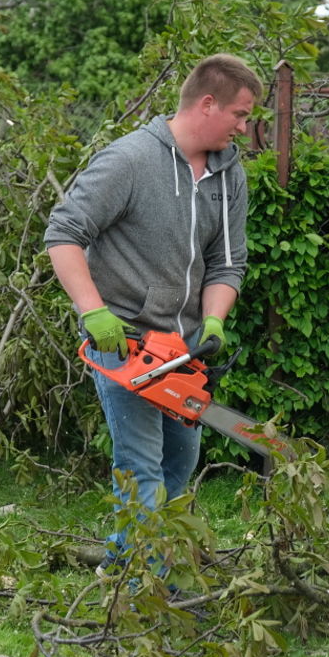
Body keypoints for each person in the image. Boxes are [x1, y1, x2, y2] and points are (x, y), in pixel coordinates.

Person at [44, 53, 263, 577]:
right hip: (124, 341)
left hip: (184, 346)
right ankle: (148, 588)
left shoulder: (227, 175)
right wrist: (94, 313)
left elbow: (227, 261)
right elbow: (63, 234)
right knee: (141, 466)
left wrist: (214, 320)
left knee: (178, 463)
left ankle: (121, 563)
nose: (244, 127)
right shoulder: (130, 161)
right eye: (240, 114)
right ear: (207, 104)